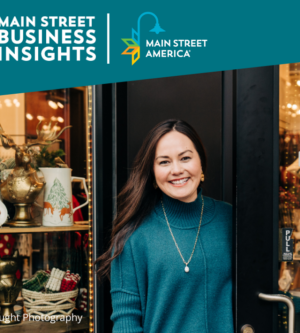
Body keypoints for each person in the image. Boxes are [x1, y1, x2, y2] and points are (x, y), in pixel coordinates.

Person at [96, 119, 233, 333]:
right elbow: (126, 323)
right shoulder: (132, 236)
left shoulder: (231, 219)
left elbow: (259, 290)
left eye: (185, 158)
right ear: (152, 173)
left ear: (201, 163)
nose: (177, 170)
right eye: (164, 162)